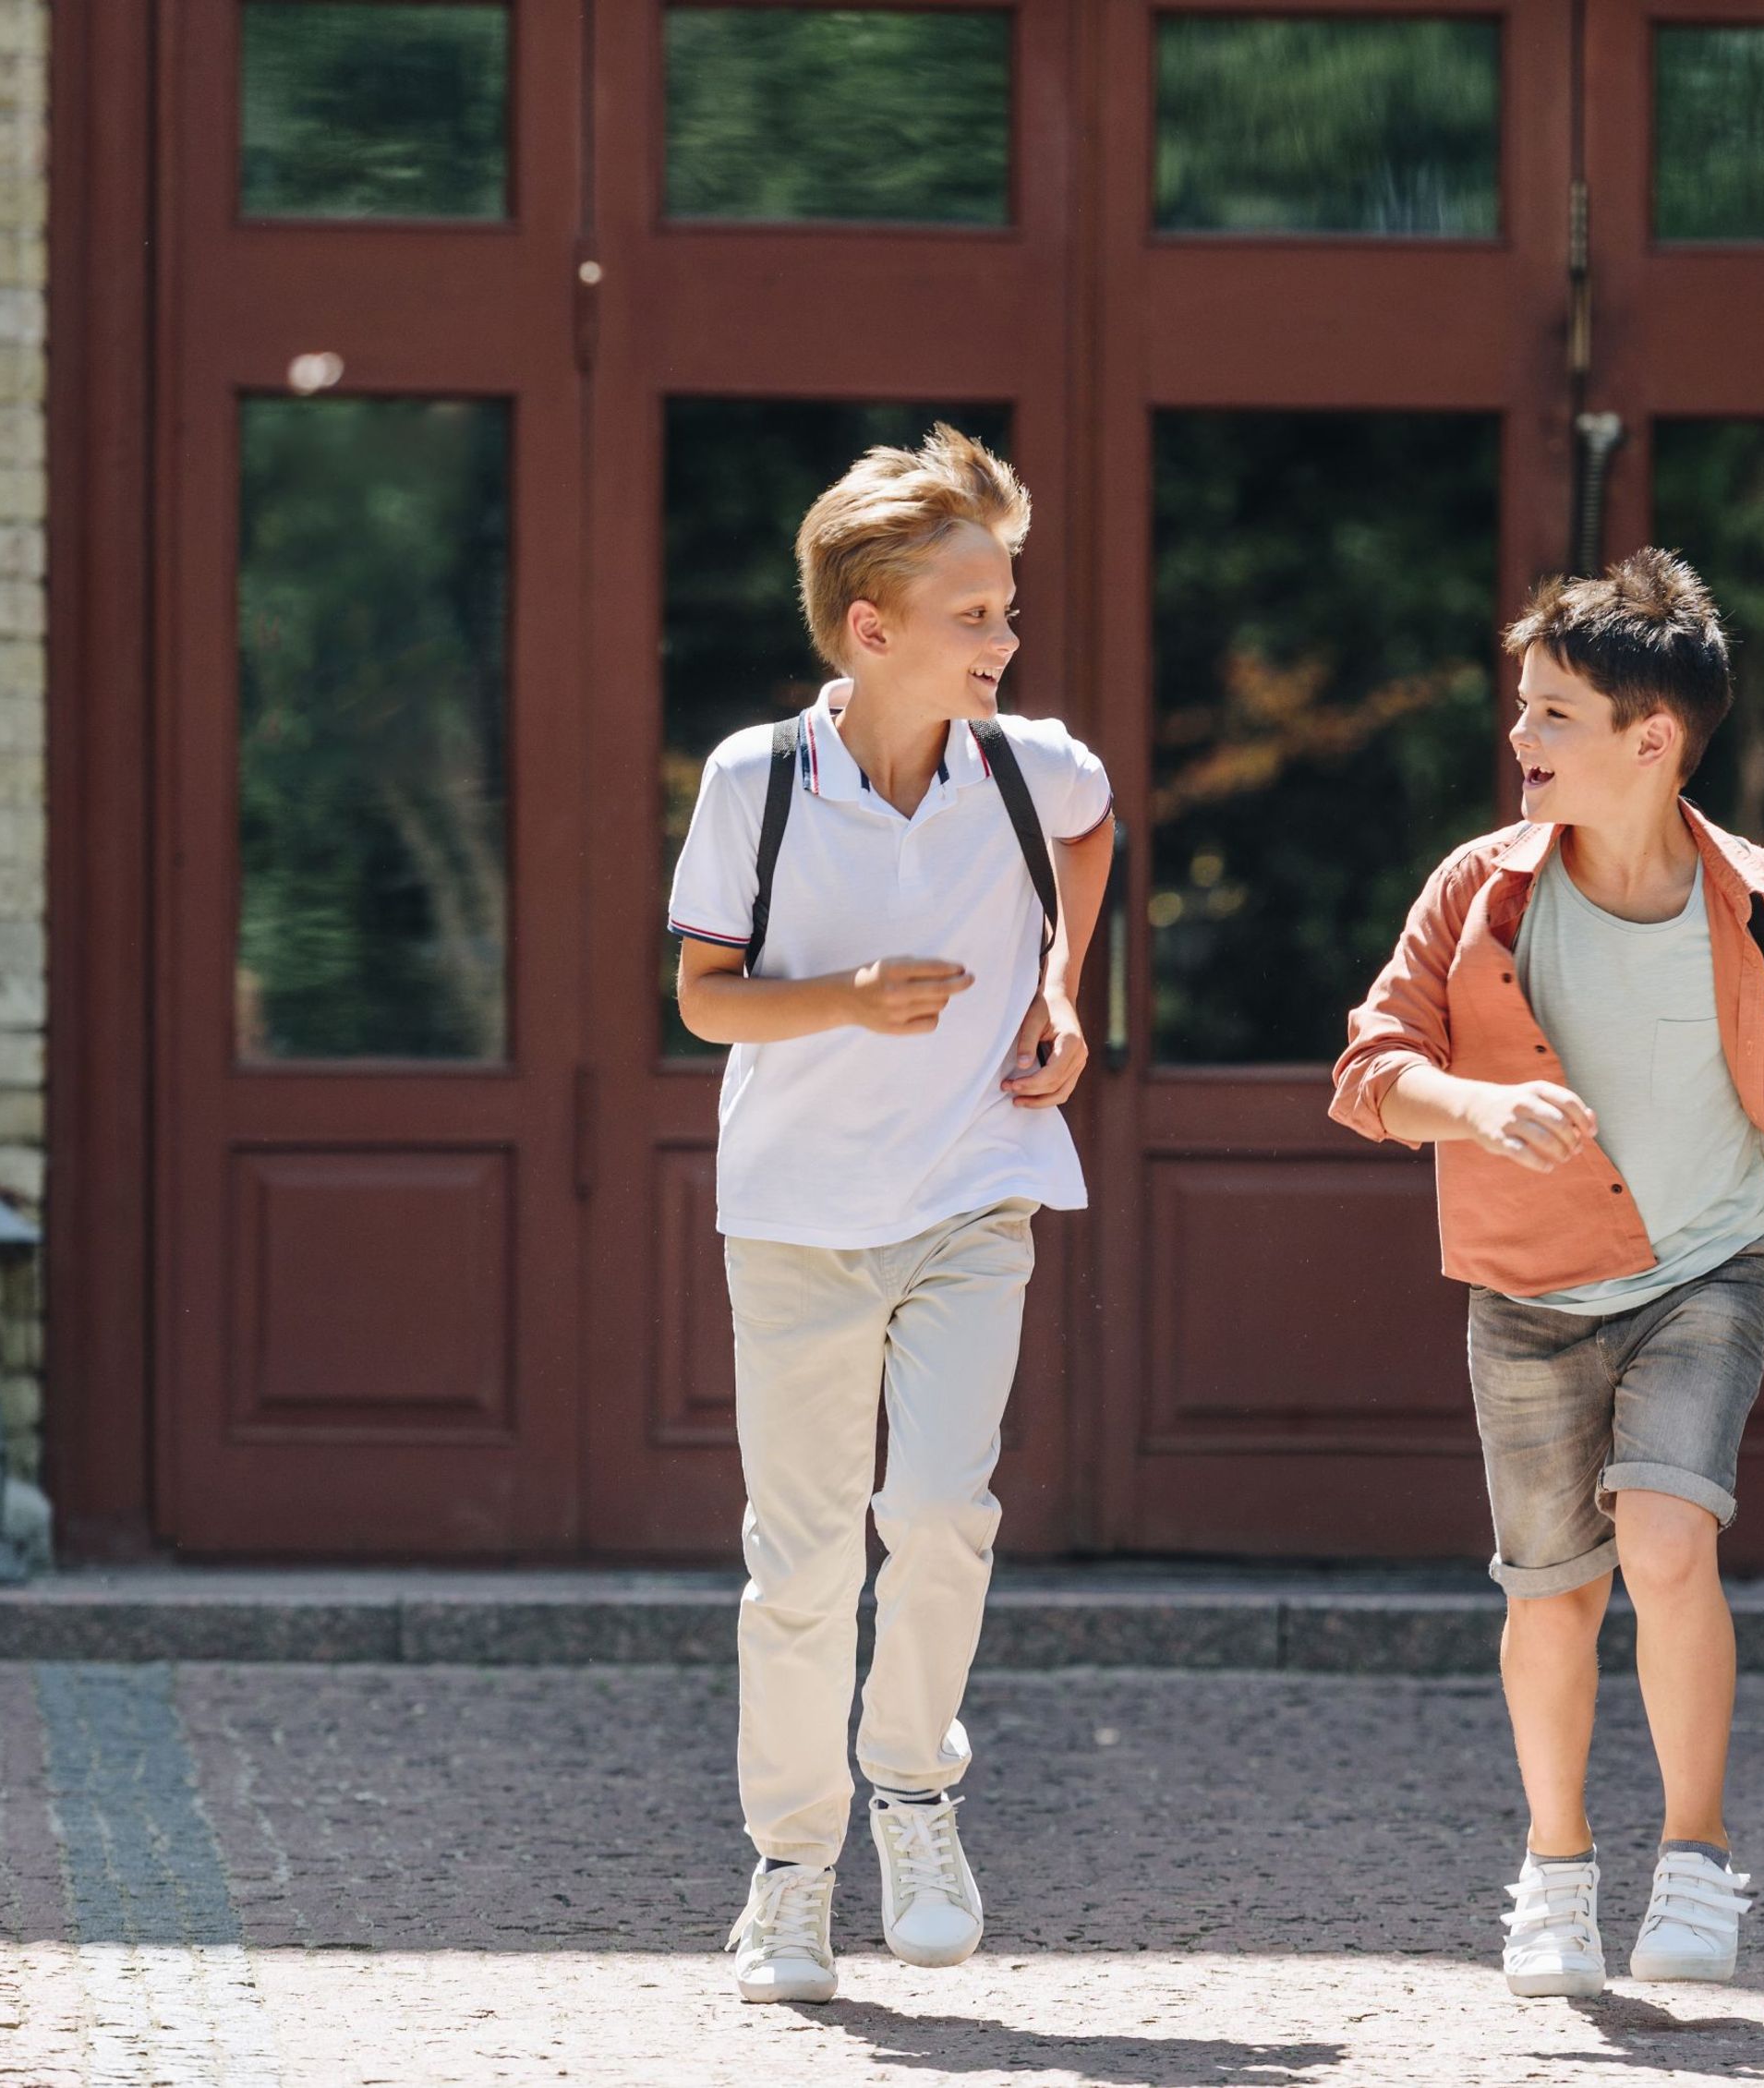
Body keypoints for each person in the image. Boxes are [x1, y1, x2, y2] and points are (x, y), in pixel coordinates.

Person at [1328, 548, 1764, 1998]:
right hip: (1527, 1293)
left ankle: (1701, 1858)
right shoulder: (1481, 894)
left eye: (1550, 717)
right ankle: (1555, 1867)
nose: (1518, 741)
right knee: (1553, 1595)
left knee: (1667, 1546)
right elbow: (1368, 1068)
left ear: (1651, 742)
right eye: (1522, 709)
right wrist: (1470, 1106)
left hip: (1703, 1273)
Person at [666, 425, 1113, 2006]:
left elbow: (1095, 824)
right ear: (874, 629)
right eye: (978, 614)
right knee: (799, 1562)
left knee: (937, 1511)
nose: (1007, 638)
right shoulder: (756, 780)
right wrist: (846, 999)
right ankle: (792, 1870)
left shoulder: (1023, 764)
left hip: (973, 1195)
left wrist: (1060, 986)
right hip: (792, 1219)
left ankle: (912, 1790)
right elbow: (705, 999)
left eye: (1005, 606)